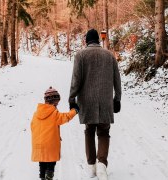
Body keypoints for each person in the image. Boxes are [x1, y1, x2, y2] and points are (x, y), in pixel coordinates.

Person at [69, 29, 122, 180]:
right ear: (98, 40)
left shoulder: (80, 55)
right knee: (104, 132)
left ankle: (91, 166)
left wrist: (71, 99)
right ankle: (102, 164)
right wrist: (117, 99)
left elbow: (76, 80)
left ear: (86, 40)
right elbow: (117, 80)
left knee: (89, 130)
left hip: (87, 101)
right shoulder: (109, 55)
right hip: (105, 101)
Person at [31, 86, 79, 180]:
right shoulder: (54, 113)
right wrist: (75, 110)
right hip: (50, 145)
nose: (58, 104)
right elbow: (65, 117)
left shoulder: (36, 114)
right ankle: (49, 177)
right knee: (51, 164)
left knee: (42, 163)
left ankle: (42, 177)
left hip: (38, 144)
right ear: (54, 101)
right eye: (57, 102)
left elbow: (32, 127)